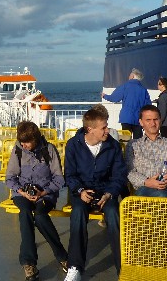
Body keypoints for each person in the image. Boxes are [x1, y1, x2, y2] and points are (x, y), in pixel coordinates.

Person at [63, 105, 127, 280]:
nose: (108, 130)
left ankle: (123, 268)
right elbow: (69, 175)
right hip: (82, 191)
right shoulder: (73, 145)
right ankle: (75, 267)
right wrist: (80, 190)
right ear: (90, 129)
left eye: (107, 126)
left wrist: (110, 193)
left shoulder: (113, 146)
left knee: (113, 214)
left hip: (105, 191)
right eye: (104, 128)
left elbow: (119, 176)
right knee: (78, 213)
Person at [5, 121, 69, 281]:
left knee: (40, 216)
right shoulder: (18, 149)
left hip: (45, 194)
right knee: (25, 213)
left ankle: (62, 255)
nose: (24, 145)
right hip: (22, 194)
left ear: (35, 139)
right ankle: (29, 263)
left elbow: (59, 179)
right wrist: (22, 192)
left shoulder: (49, 150)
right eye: (22, 142)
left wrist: (43, 192)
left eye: (27, 142)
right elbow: (10, 177)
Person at [125, 105, 167, 199]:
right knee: (163, 196)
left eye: (155, 119)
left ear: (160, 121)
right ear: (141, 122)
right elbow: (129, 172)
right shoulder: (134, 145)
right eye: (148, 120)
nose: (153, 123)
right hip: (145, 188)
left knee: (166, 196)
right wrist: (146, 181)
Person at [101, 68, 151, 139]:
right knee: (138, 141)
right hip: (139, 119)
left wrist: (105, 96)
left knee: (126, 139)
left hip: (126, 117)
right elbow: (148, 105)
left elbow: (115, 98)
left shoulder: (125, 86)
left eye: (130, 75)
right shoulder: (143, 89)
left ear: (132, 76)